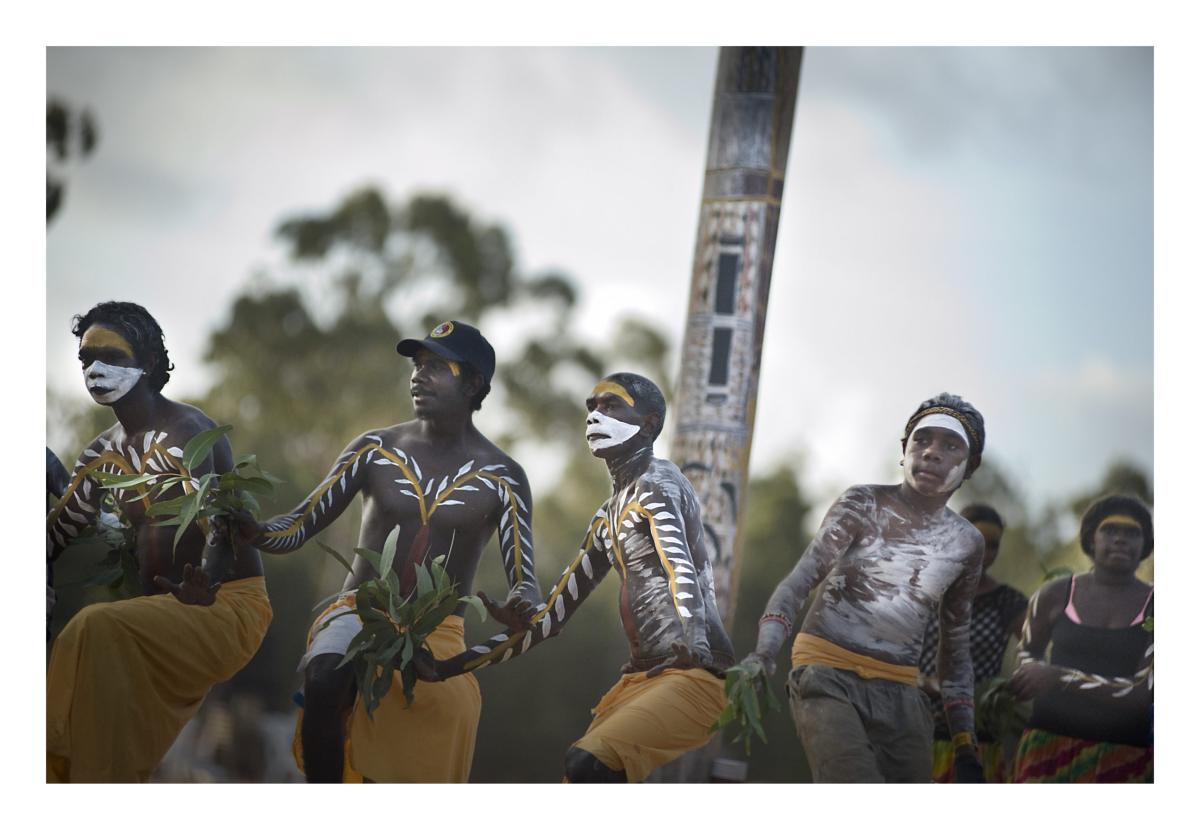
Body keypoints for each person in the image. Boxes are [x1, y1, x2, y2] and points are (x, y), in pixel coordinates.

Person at [233, 320, 541, 783]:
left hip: (438, 632)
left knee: (437, 719)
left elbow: (525, 579)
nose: (418, 375)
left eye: (437, 367)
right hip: (358, 610)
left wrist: (521, 604)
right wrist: (255, 532)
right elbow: (297, 526)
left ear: (474, 383)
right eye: (418, 365)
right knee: (325, 676)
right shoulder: (375, 448)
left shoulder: (504, 476)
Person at [425, 372, 735, 783]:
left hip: (697, 675)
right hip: (643, 677)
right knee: (579, 776)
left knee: (587, 764)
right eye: (592, 407)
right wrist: (448, 667)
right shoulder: (607, 519)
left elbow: (679, 567)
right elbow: (549, 620)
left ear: (649, 424)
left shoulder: (657, 485)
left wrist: (696, 643)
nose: (594, 416)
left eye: (611, 406)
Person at [46, 301, 272, 782]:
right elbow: (57, 535)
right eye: (86, 359)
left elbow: (218, 523)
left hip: (224, 607)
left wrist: (208, 581)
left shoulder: (187, 432)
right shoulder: (101, 454)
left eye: (111, 355)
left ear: (149, 363)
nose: (95, 369)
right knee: (109, 737)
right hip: (150, 627)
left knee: (92, 628)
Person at [738, 393, 988, 783]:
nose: (932, 453)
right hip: (825, 673)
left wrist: (965, 744)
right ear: (905, 450)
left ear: (970, 466)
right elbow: (800, 581)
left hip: (902, 691)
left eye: (951, 445)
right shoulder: (864, 502)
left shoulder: (966, 543)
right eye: (922, 440)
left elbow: (955, 651)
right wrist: (765, 652)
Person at [1009, 495, 1153, 783]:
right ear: (1090, 539)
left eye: (1132, 532)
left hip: (1123, 758)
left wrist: (1059, 677)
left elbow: (1142, 693)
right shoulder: (1053, 595)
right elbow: (1026, 652)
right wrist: (1029, 672)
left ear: (1146, 545)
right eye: (1110, 530)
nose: (1120, 539)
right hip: (1045, 748)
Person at [917, 503, 1027, 782]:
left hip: (979, 738)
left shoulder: (1007, 601)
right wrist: (925, 683)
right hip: (918, 731)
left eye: (993, 546)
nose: (984, 553)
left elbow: (1036, 651)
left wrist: (1010, 692)